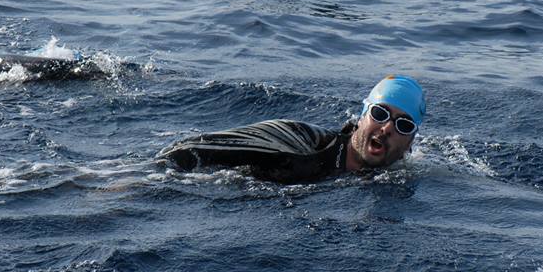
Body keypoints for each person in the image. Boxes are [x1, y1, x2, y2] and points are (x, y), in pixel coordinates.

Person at [158, 75, 426, 184]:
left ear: (410, 143)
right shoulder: (302, 142)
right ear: (360, 117)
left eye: (403, 125)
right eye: (380, 114)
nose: (387, 127)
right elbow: (190, 150)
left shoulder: (394, 181)